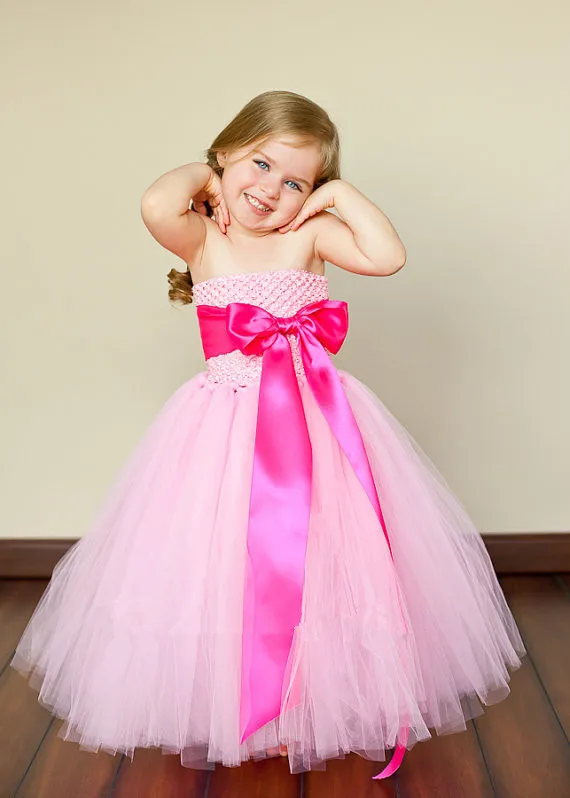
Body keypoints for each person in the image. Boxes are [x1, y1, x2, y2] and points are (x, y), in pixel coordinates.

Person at [11, 90, 525, 780]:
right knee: (223, 565)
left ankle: (306, 705)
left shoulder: (309, 236)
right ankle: (234, 703)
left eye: (296, 182)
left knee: (321, 564)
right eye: (259, 164)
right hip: (224, 430)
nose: (270, 190)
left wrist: (337, 195)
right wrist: (207, 177)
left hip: (314, 426)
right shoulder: (205, 236)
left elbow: (387, 256)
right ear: (226, 154)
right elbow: (156, 203)